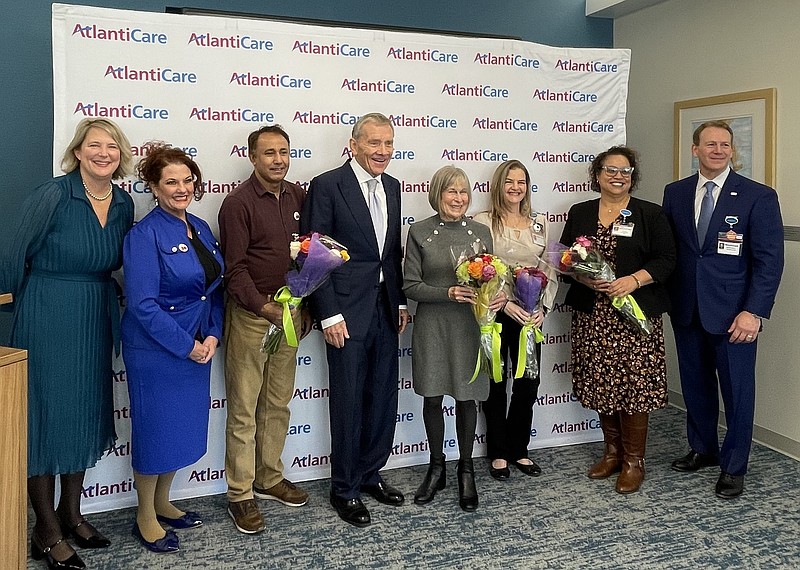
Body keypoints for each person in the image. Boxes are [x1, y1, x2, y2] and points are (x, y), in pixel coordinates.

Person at [0, 118, 133, 570]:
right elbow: (13, 254)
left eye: (111, 147)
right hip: (47, 311)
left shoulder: (123, 203)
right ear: (78, 152)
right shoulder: (53, 194)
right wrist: (23, 308)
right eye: (94, 146)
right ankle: (46, 530)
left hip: (95, 311)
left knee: (83, 412)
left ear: (121, 155)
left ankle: (71, 515)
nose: (103, 153)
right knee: (45, 418)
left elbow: (117, 263)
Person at [662, 121, 784, 499]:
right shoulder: (676, 192)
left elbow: (769, 260)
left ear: (732, 151)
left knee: (737, 392)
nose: (718, 150)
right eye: (710, 144)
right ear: (695, 149)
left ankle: (734, 466)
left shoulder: (757, 196)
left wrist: (754, 312)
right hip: (687, 309)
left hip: (735, 316)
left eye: (725, 145)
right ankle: (703, 449)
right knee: (695, 386)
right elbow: (673, 253)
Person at [300, 112, 410, 528]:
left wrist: (398, 302)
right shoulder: (327, 186)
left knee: (382, 398)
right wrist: (328, 312)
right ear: (354, 144)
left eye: (388, 144)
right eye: (374, 143)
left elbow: (390, 253)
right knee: (348, 399)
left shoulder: (394, 187)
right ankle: (344, 488)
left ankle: (370, 474)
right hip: (344, 311)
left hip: (385, 308)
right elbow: (315, 254)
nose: (382, 151)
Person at [121, 144, 224, 552]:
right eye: (171, 182)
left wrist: (212, 334)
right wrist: (188, 347)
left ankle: (164, 500)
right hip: (158, 351)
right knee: (155, 431)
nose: (182, 188)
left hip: (199, 343)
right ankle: (145, 514)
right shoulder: (143, 235)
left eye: (187, 180)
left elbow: (212, 289)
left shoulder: (200, 226)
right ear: (154, 187)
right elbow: (142, 304)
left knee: (178, 431)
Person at [560, 146, 675, 494]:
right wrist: (583, 277)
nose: (617, 176)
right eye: (610, 169)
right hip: (594, 316)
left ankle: (633, 461)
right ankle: (612, 453)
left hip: (635, 317)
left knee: (634, 388)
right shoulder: (580, 212)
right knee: (602, 384)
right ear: (597, 174)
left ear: (632, 177)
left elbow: (668, 259)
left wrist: (634, 279)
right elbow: (565, 259)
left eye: (625, 171)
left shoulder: (650, 214)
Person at [218, 125, 311, 535]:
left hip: (290, 315)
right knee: (243, 409)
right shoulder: (237, 204)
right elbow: (233, 270)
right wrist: (264, 307)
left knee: (277, 403)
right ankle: (240, 493)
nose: (278, 160)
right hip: (252, 317)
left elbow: (311, 254)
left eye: (284, 152)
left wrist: (303, 307)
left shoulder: (298, 196)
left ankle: (268, 477)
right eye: (269, 153)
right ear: (252, 157)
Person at [403, 165, 501, 511]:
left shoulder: (480, 232)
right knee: (432, 397)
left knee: (466, 398)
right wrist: (449, 292)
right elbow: (410, 285)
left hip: (469, 326)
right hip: (433, 324)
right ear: (437, 195)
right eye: (451, 191)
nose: (458, 198)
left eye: (463, 192)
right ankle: (436, 466)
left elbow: (492, 277)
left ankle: (466, 470)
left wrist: (497, 293)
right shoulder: (419, 232)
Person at [473, 160, 558, 481]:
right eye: (509, 182)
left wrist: (543, 309)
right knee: (496, 383)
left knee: (527, 384)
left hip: (530, 316)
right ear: (499, 185)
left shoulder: (541, 223)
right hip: (495, 314)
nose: (515, 188)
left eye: (521, 182)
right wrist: (505, 301)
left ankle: (519, 450)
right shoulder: (483, 222)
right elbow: (477, 267)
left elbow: (550, 268)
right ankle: (497, 452)